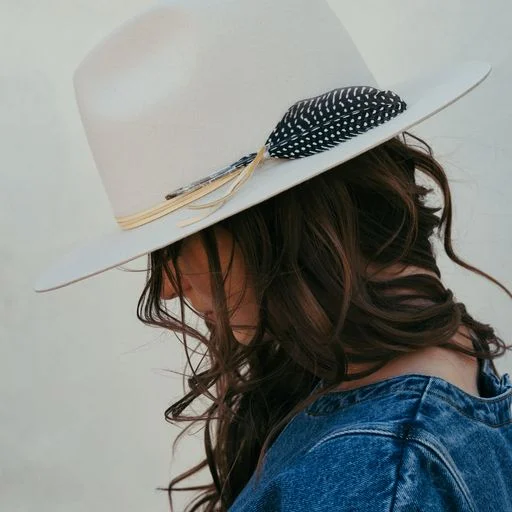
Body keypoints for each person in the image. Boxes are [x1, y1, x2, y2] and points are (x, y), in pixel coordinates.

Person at [34, 1, 512, 511]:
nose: (169, 286)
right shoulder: (442, 380)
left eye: (175, 243)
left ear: (278, 220)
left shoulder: (374, 475)